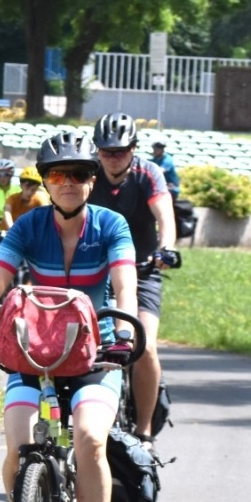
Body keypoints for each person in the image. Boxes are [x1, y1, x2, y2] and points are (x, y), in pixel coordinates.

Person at [0, 130, 137, 502]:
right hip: (34, 356)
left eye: (80, 174)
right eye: (58, 174)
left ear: (92, 181)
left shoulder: (110, 226)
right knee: (18, 443)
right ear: (46, 181)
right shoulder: (28, 227)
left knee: (89, 439)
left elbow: (125, 285)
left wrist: (123, 334)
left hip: (95, 356)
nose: (69, 182)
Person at [86, 112, 175, 445]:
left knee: (146, 347)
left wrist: (167, 249)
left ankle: (144, 431)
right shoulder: (89, 176)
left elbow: (164, 215)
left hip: (142, 270)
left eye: (120, 151)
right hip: (97, 271)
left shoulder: (148, 174)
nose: (112, 158)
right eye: (106, 151)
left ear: (134, 149)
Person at [5, 164, 49, 229]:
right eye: (27, 187)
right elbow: (7, 212)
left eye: (33, 190)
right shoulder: (13, 198)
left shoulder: (39, 199)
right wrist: (12, 229)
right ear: (21, 185)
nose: (29, 192)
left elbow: (46, 215)